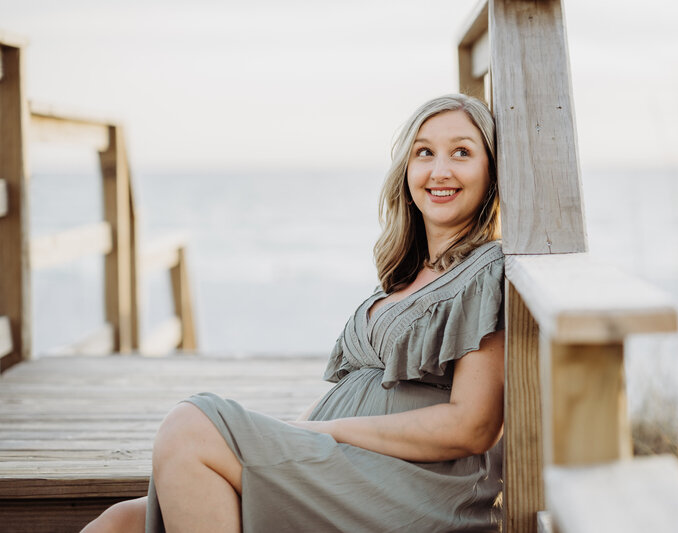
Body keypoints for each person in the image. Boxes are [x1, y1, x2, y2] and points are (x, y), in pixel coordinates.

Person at [81, 93, 505, 533]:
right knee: (121, 522)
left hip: (411, 489)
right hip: (345, 468)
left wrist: (329, 432)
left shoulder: (486, 269)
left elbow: (472, 426)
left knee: (190, 428)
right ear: (406, 170)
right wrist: (291, 433)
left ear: (491, 172)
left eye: (462, 152)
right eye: (424, 152)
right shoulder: (408, 274)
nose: (440, 170)